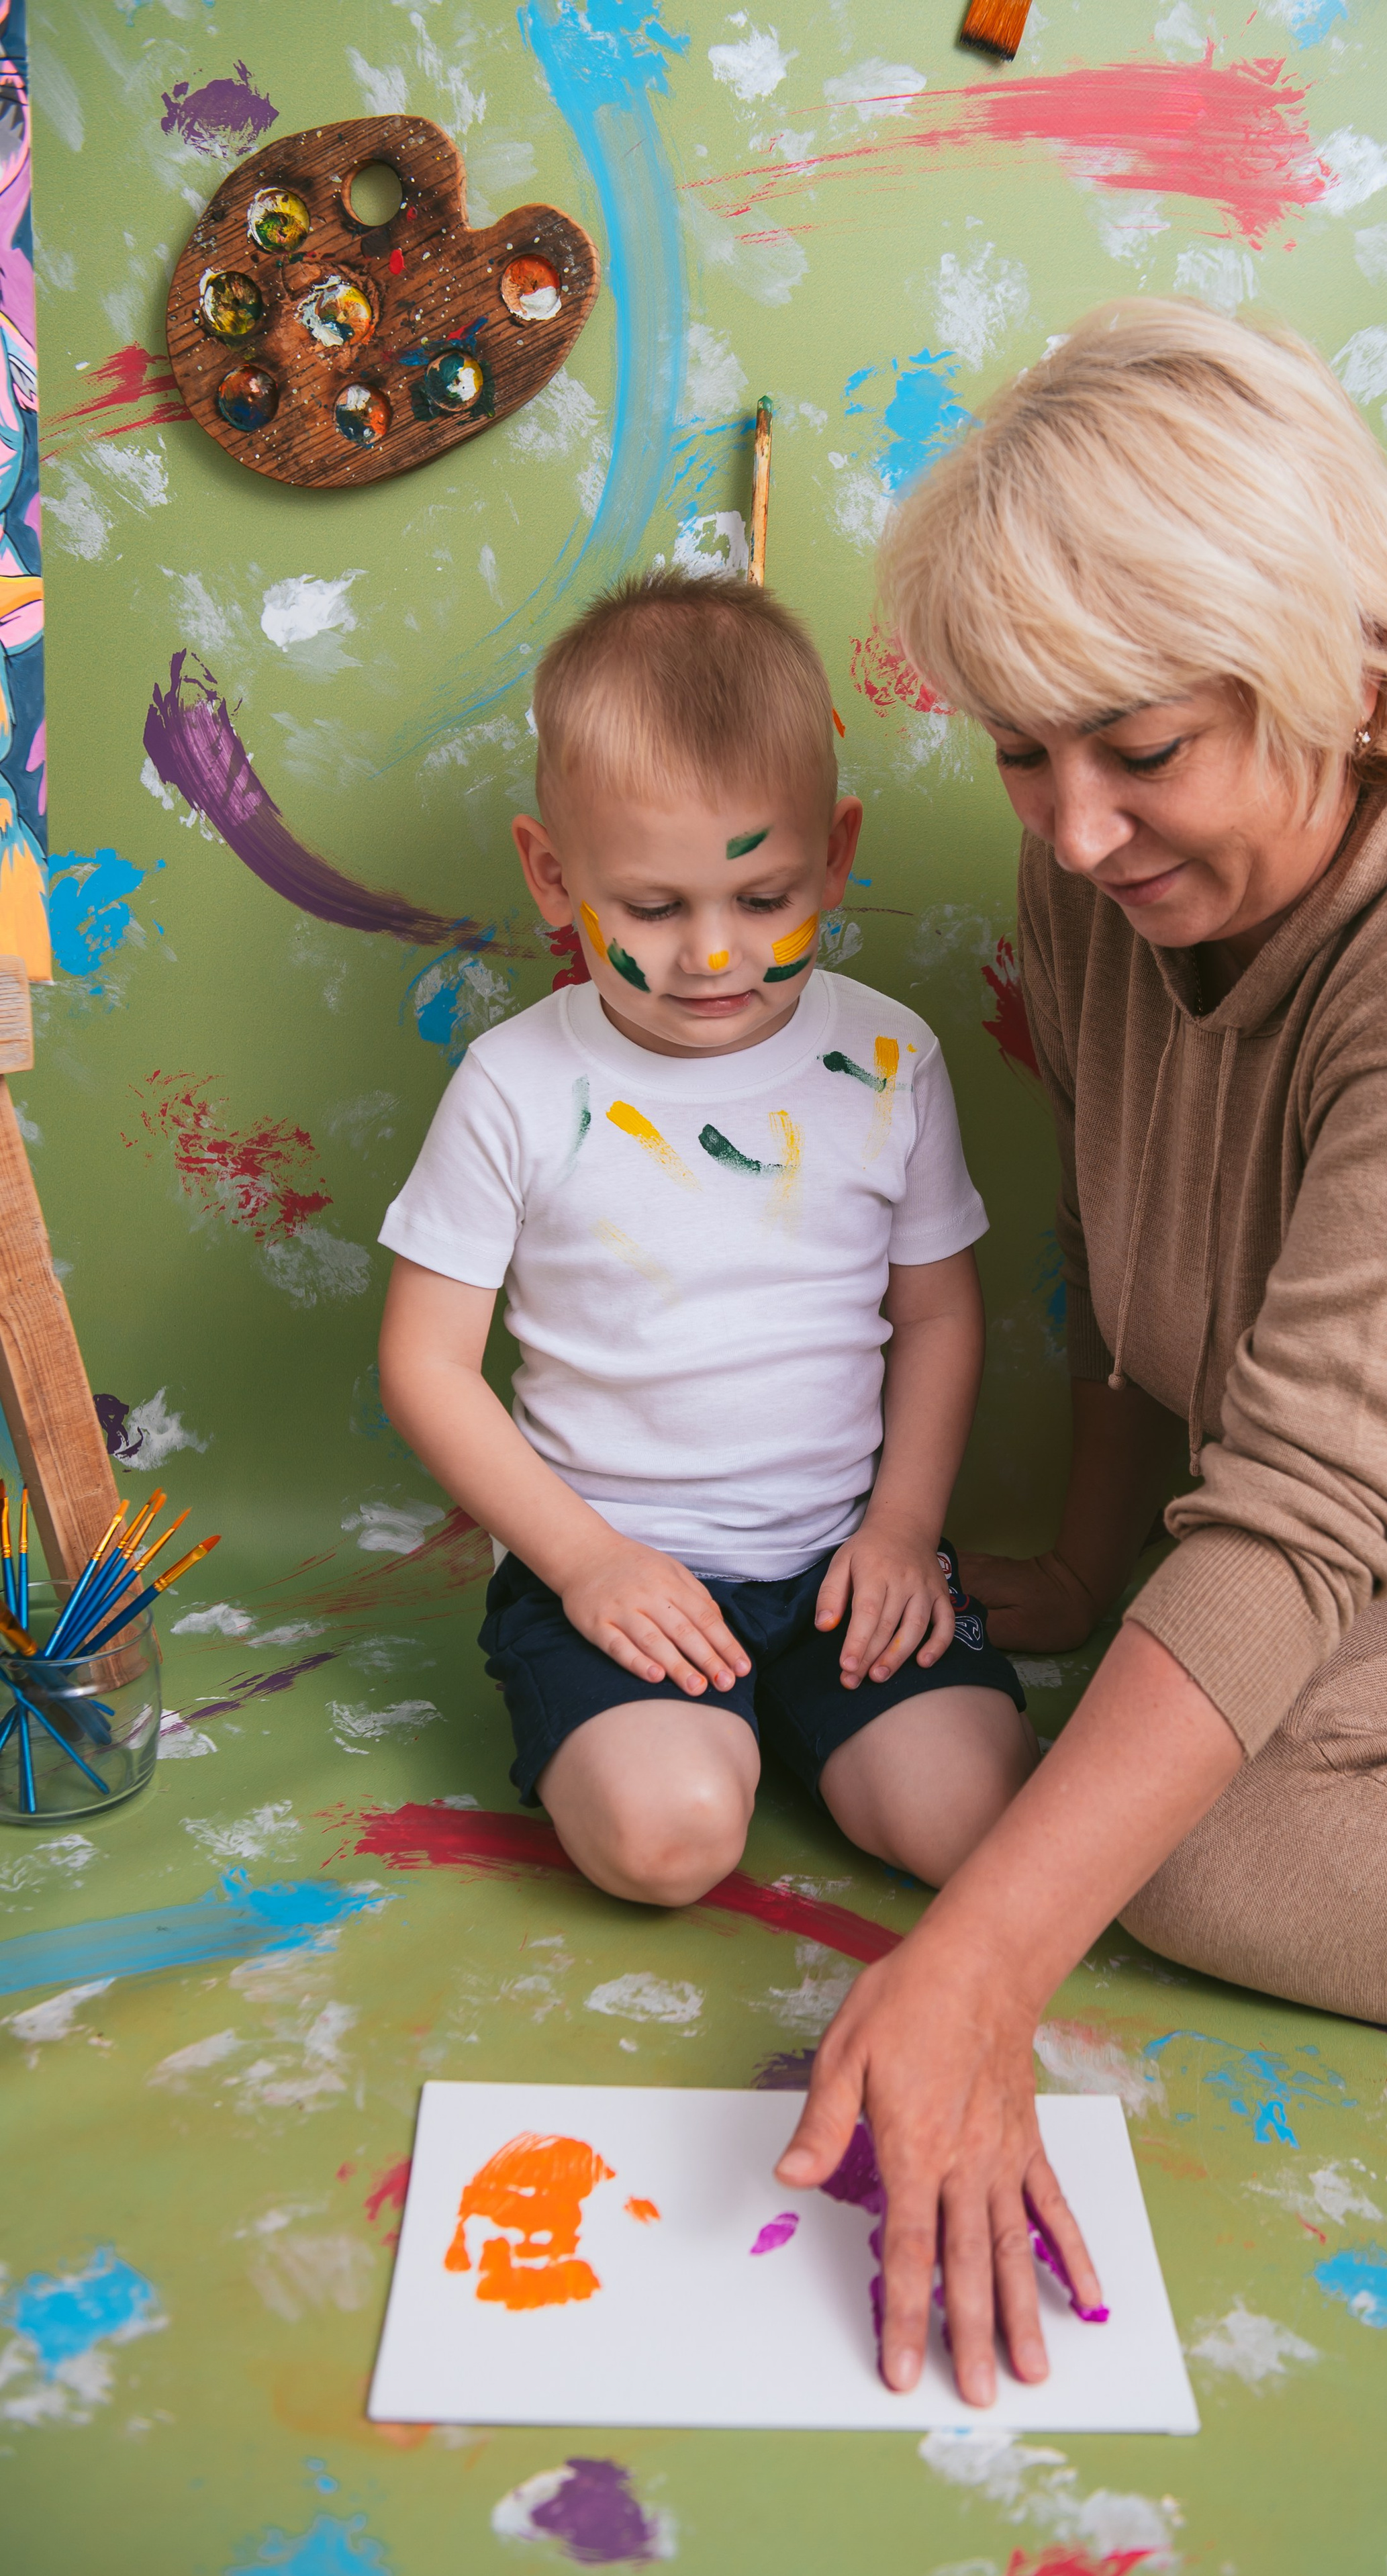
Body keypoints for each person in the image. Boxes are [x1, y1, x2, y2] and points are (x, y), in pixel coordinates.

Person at [775, 297, 1387, 2412]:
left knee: (1079, 1849)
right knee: (1195, 1831)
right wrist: (1099, 1575)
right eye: (1025, 747)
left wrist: (976, 1976)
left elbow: (1306, 1510)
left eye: (1142, 747)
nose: (1078, 830)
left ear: (1346, 665)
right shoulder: (1115, 877)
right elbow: (1139, 1259)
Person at [376, 571, 1034, 1909]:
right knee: (669, 1844)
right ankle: (697, 1742)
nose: (713, 954)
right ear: (553, 878)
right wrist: (585, 1564)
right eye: (654, 908)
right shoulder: (514, 1085)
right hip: (612, 1574)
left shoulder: (888, 1059)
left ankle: (795, 1720)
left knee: (977, 1824)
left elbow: (939, 1317)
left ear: (834, 852)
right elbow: (426, 1365)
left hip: (844, 1568)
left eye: (762, 895)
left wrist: (904, 1530)